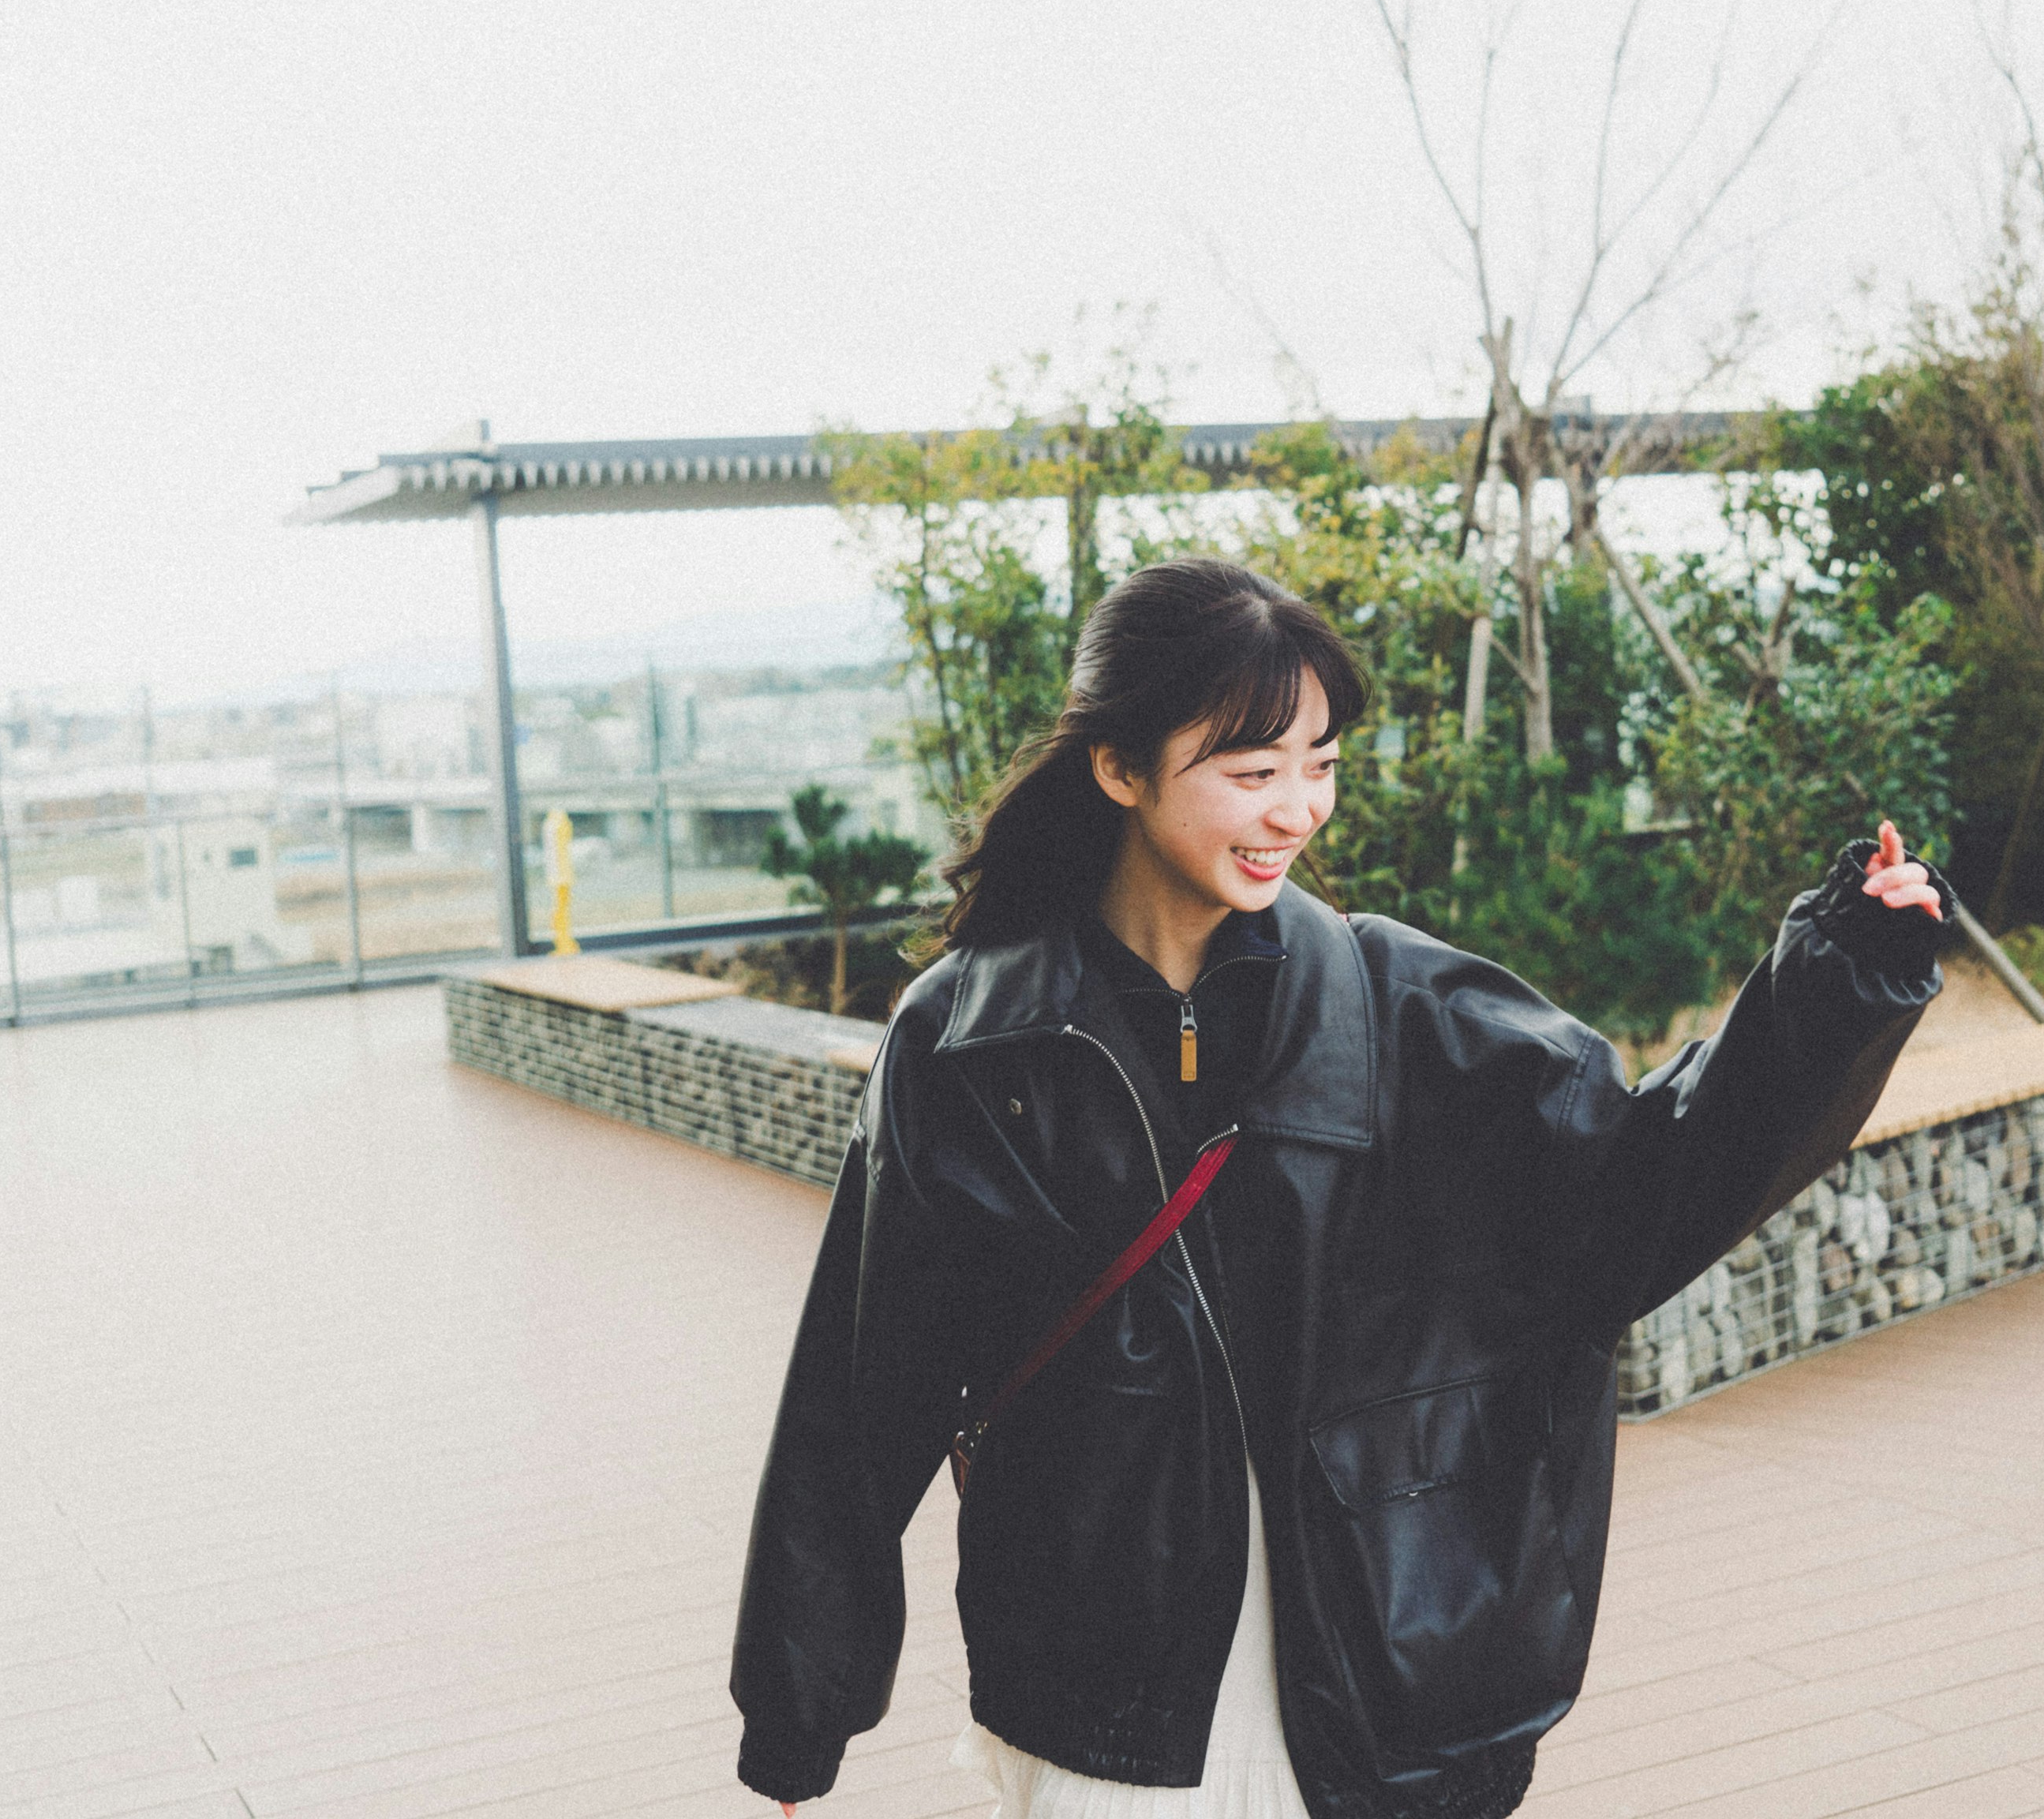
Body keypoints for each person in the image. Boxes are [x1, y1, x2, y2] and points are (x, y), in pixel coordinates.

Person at [730, 556, 1951, 1819]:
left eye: (1321, 763)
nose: (1298, 811)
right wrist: (796, 1719)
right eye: (1253, 773)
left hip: (1381, 1693)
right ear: (1120, 768)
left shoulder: (1404, 1013)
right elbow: (866, 1385)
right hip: (1101, 1705)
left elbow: (1646, 1190)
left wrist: (1835, 977)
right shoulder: (973, 1040)